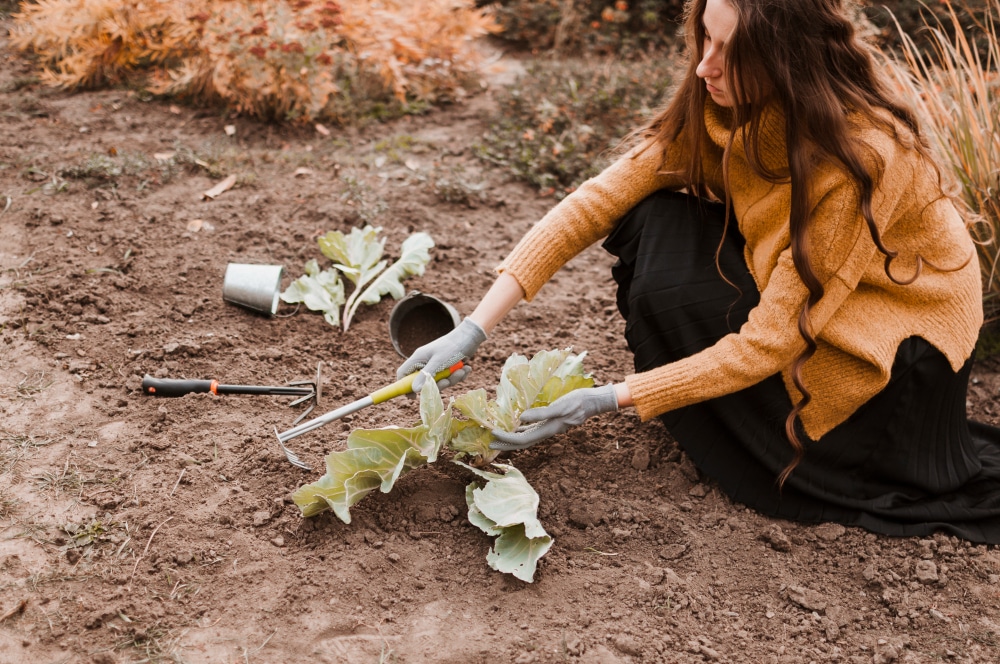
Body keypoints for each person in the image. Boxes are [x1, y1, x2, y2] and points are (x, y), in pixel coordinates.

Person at [397, 0, 1000, 543]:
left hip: (889, 362)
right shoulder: (725, 110)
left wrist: (608, 400)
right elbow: (595, 202)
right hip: (821, 300)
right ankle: (707, 402)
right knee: (652, 215)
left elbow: (771, 340)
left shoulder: (855, 157)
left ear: (784, 59)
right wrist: (473, 328)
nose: (705, 66)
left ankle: (770, 433)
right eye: (704, 40)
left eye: (730, 52)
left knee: (676, 281)